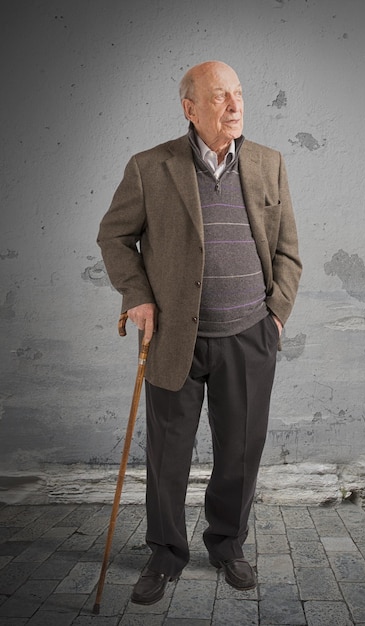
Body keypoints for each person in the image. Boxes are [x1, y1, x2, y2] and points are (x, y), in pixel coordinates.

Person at [97, 60, 302, 604]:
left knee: (240, 449)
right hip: (173, 340)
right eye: (219, 97)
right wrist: (136, 296)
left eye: (238, 93)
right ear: (189, 108)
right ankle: (165, 554)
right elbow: (114, 237)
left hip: (248, 335)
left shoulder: (268, 163)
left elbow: (287, 251)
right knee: (169, 452)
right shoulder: (150, 167)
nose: (234, 105)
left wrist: (275, 314)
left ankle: (228, 544)